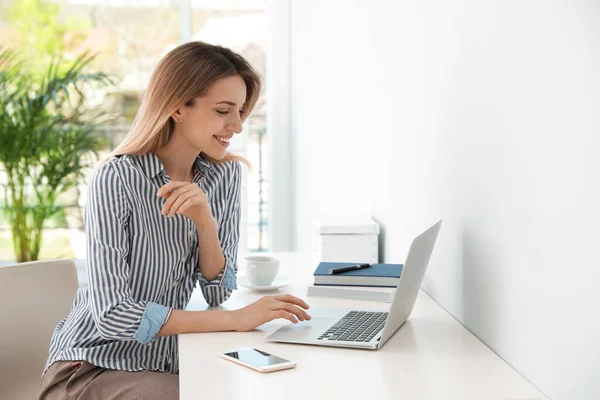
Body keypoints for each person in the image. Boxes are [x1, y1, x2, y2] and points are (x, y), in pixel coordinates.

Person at [39, 41, 311, 400]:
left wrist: (205, 223)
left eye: (241, 111)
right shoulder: (116, 179)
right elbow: (113, 315)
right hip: (90, 368)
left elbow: (218, 291)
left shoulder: (224, 176)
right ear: (179, 107)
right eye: (223, 110)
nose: (237, 126)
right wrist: (234, 319)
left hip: (163, 364)